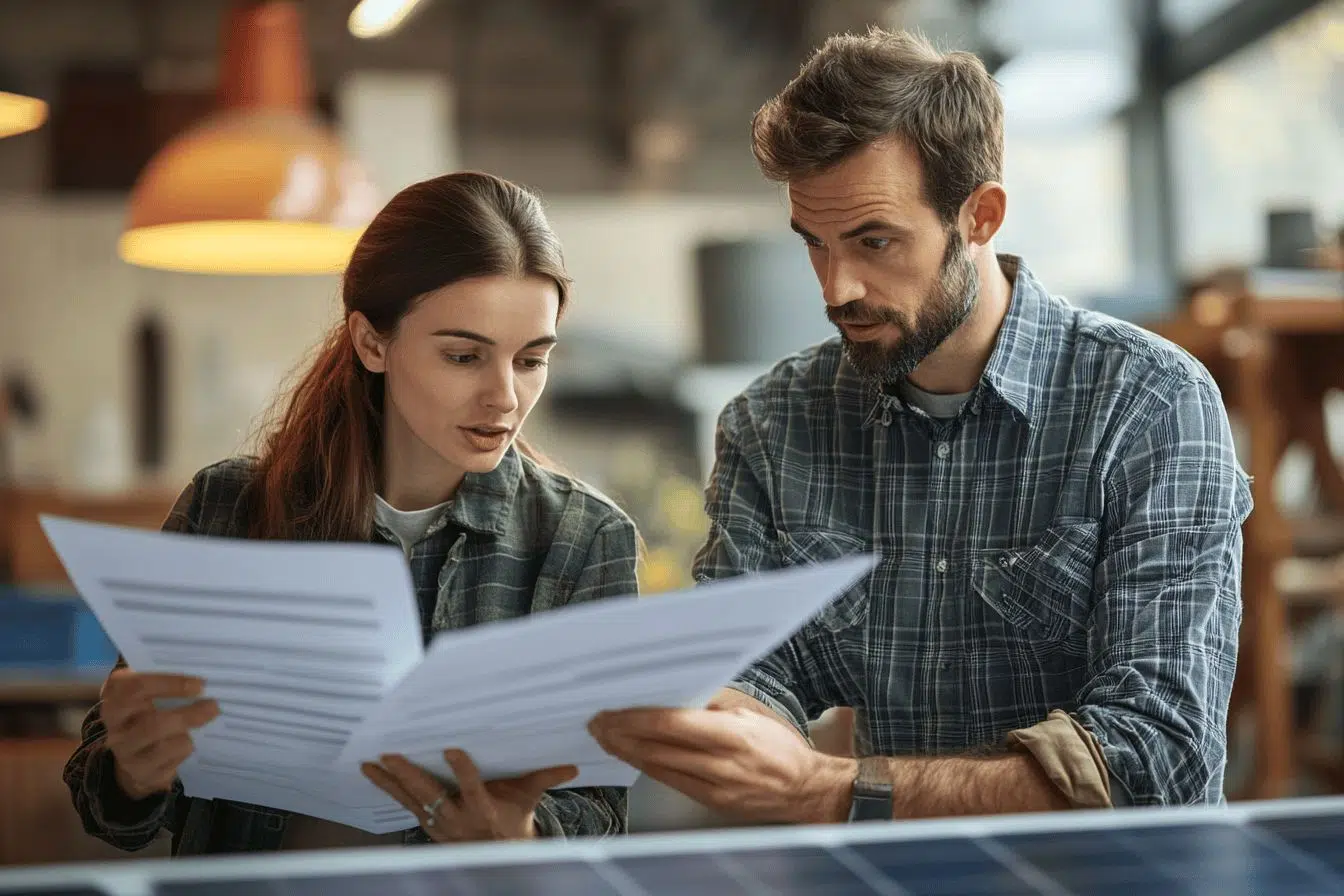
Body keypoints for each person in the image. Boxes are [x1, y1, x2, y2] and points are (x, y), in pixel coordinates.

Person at [590, 28, 1251, 821]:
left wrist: (823, 787)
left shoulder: (1150, 403)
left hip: (1113, 871)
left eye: (875, 241)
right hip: (889, 867)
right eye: (815, 244)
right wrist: (724, 716)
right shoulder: (773, 422)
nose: (837, 288)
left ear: (980, 216)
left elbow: (1159, 757)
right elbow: (753, 668)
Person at [64, 171, 640, 855]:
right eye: (464, 356)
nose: (505, 397)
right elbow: (108, 809)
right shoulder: (227, 506)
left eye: (531, 360)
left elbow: (600, 811)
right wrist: (133, 772)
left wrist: (524, 832)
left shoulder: (584, 538)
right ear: (371, 343)